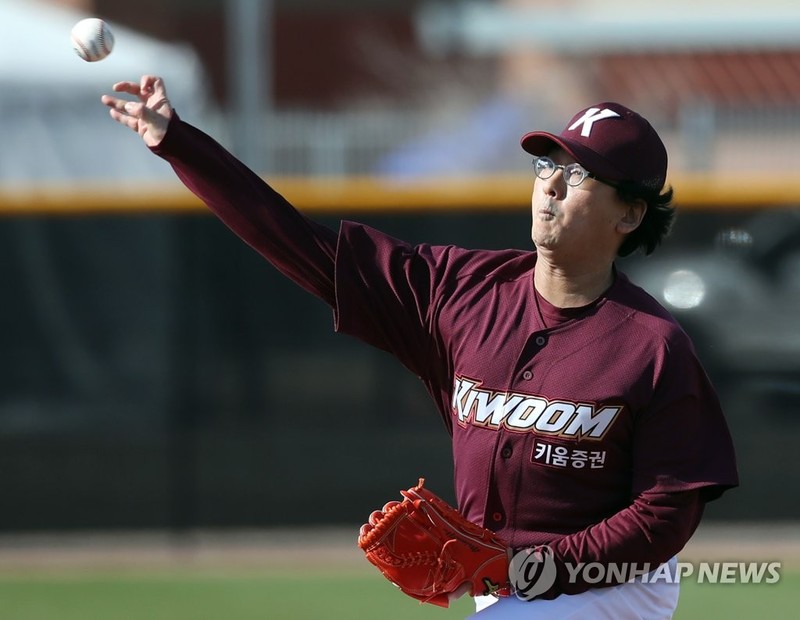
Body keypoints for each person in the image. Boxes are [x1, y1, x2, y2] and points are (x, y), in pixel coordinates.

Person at [102, 76, 738, 619]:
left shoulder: (653, 347)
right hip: (508, 591)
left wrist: (529, 567)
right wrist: (177, 143)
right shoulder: (463, 294)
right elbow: (304, 247)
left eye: (578, 174)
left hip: (614, 587)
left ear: (628, 214)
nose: (550, 184)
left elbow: (665, 514)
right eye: (546, 165)